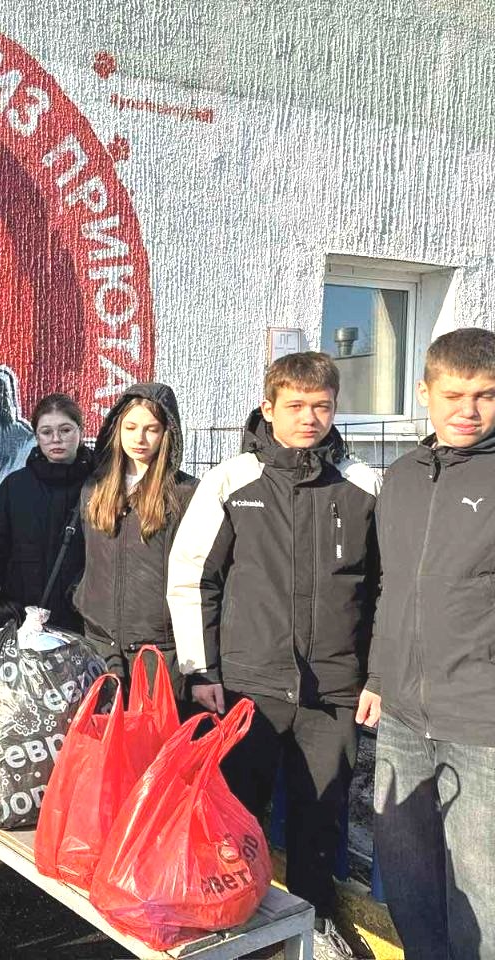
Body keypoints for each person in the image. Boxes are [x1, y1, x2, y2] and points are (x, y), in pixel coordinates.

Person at [167, 352, 379, 959]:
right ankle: (236, 923)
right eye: (295, 405)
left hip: (332, 689)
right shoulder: (232, 481)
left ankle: (315, 925)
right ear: (268, 407)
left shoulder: (364, 485)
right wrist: (200, 669)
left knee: (321, 817)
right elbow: (193, 579)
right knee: (237, 814)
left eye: (322, 406)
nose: (309, 418)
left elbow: (385, 588)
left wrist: (379, 675)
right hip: (247, 684)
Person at [367, 328, 495, 959]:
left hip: (480, 719)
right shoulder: (402, 477)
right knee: (408, 884)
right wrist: (377, 677)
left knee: (481, 899)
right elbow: (391, 585)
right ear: (424, 393)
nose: (467, 410)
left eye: (486, 395)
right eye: (453, 394)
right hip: (402, 718)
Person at [74, 383, 195, 686]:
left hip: (160, 652)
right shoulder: (94, 487)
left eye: (151, 429)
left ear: (167, 433)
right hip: (99, 644)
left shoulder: (186, 493)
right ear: (117, 429)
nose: (139, 438)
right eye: (130, 427)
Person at [0, 393, 95, 641]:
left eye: (65, 430)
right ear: (36, 436)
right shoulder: (15, 487)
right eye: (46, 432)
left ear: (81, 432)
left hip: (84, 628)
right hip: (23, 625)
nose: (56, 439)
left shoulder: (102, 487)